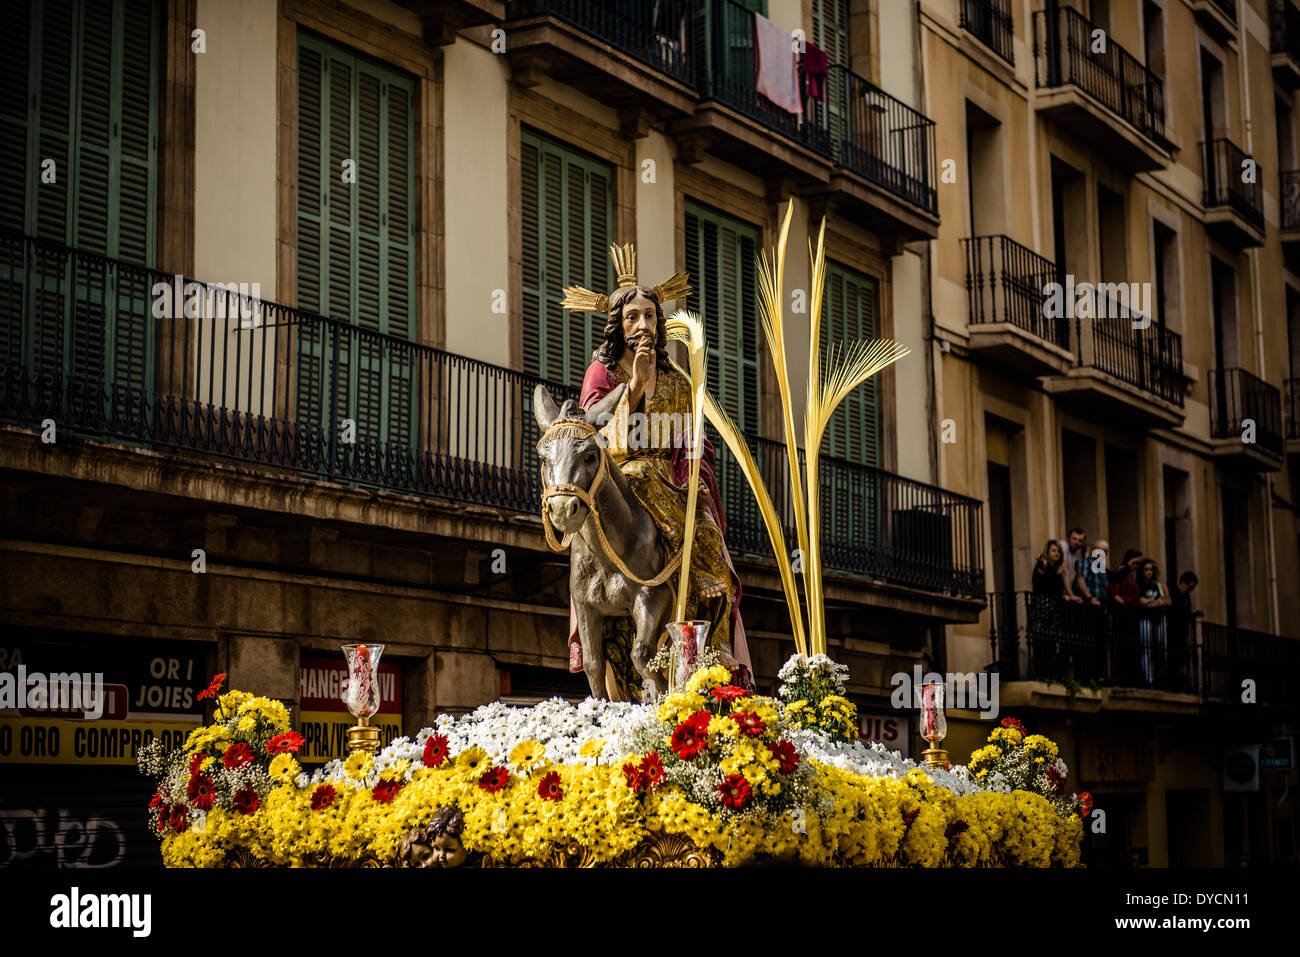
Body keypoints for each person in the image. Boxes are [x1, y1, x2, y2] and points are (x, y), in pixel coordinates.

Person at [573, 271, 751, 697]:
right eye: (632, 317)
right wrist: (634, 385)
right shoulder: (602, 374)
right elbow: (590, 428)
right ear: (618, 324)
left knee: (709, 542)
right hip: (618, 479)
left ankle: (715, 643)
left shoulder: (676, 380)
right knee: (630, 483)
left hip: (672, 484)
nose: (643, 325)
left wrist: (694, 480)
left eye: (650, 316)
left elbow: (694, 442)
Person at [1136, 559, 1170, 686]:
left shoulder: (1160, 586)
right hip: (1145, 620)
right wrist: (1158, 602)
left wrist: (1152, 603)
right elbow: (1142, 603)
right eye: (1146, 569)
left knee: (1162, 649)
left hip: (1160, 620)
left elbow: (1168, 601)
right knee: (1147, 649)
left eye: (1151, 569)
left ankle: (1161, 677)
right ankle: (1149, 679)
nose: (1149, 572)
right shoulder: (1139, 586)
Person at [1168, 571, 1199, 690]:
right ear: (1183, 583)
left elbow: (1186, 612)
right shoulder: (1174, 593)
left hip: (1182, 630)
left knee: (1181, 656)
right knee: (1173, 656)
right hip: (1173, 629)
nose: (1190, 589)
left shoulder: (1186, 597)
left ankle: (1177, 680)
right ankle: (1172, 681)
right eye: (1190, 586)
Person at [1058, 527, 1089, 600]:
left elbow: (1079, 576)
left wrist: (1089, 596)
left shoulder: (1078, 552)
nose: (1077, 542)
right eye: (1074, 539)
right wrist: (1071, 595)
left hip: (1066, 594)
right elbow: (1064, 571)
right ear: (1068, 538)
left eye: (1080, 540)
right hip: (1058, 593)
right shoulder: (1063, 545)